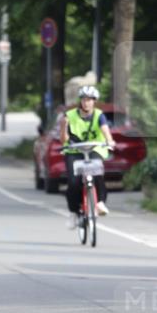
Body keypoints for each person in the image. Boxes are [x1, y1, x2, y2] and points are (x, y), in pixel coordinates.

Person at [60, 85, 115, 228]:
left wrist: (109, 141)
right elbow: (63, 140)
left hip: (94, 149)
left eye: (90, 100)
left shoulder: (99, 115)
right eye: (84, 99)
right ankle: (73, 212)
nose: (86, 103)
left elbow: (105, 131)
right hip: (74, 151)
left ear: (94, 101)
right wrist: (63, 127)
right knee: (73, 183)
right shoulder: (70, 115)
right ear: (80, 101)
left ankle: (100, 203)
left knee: (97, 173)